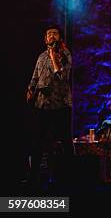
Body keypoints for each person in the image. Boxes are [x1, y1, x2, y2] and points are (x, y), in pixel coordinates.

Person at [26, 25, 73, 186]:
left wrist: (54, 56)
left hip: (60, 105)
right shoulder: (41, 57)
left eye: (55, 34)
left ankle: (68, 177)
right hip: (42, 105)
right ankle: (33, 177)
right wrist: (30, 89)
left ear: (59, 38)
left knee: (65, 141)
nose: (52, 36)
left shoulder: (65, 54)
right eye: (49, 34)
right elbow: (35, 76)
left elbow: (61, 76)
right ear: (45, 39)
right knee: (38, 141)